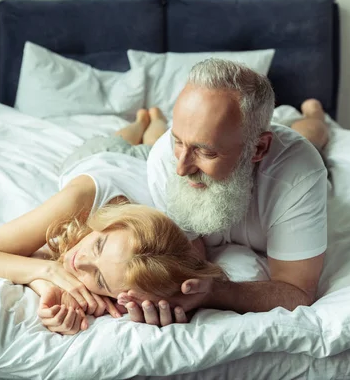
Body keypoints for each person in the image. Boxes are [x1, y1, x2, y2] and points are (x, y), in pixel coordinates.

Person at [0, 109, 226, 335]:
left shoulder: (177, 254)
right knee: (126, 137)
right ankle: (141, 120)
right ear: (110, 223)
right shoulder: (81, 198)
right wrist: (47, 274)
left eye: (99, 278)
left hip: (145, 166)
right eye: (98, 245)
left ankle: (155, 119)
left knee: (152, 142)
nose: (79, 262)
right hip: (103, 156)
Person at [118, 59, 330, 326]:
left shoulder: (300, 174)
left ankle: (314, 114)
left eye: (205, 151)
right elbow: (190, 254)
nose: (182, 169)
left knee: (311, 134)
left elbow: (297, 291)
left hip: (297, 150)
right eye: (178, 141)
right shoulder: (165, 159)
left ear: (258, 149)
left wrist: (216, 292)